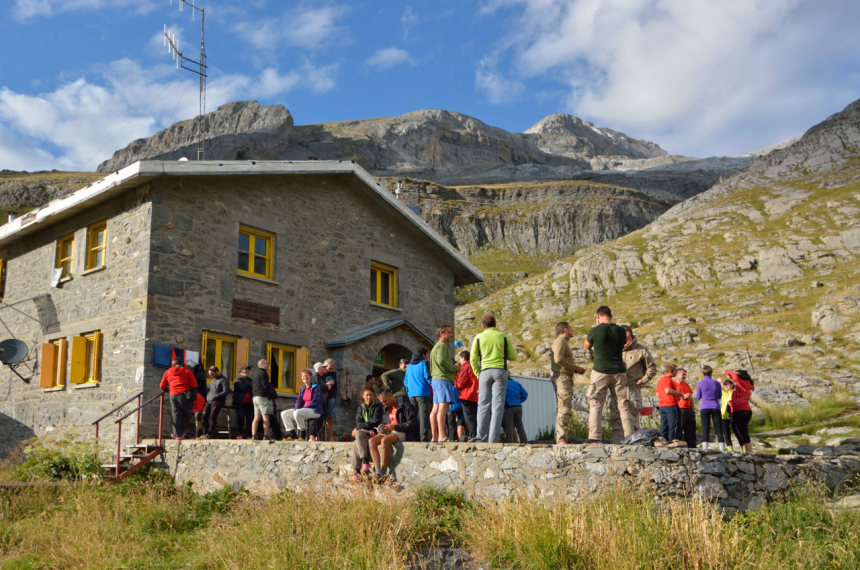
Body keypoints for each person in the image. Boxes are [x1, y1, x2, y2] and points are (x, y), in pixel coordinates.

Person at [470, 314, 517, 443]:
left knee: (483, 405)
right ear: (496, 325)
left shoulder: (478, 337)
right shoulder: (503, 337)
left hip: (485, 372)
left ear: (482, 326)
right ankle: (493, 439)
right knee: (497, 406)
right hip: (500, 372)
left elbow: (473, 359)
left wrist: (478, 374)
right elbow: (513, 356)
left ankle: (481, 437)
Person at [583, 306, 627, 443]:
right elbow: (624, 344)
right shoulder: (620, 331)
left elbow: (586, 346)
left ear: (598, 316)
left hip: (600, 371)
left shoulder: (595, 330)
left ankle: (595, 438)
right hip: (619, 371)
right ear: (611, 316)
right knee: (622, 405)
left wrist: (597, 327)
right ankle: (626, 437)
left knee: (596, 404)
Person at [368, 388, 419, 481]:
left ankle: (383, 471)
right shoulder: (386, 407)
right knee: (371, 441)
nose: (384, 404)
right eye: (382, 402)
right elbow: (384, 421)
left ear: (390, 396)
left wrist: (396, 427)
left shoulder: (405, 404)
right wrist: (382, 428)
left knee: (385, 440)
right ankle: (378, 471)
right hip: (389, 431)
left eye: (385, 401)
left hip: (401, 431)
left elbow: (413, 423)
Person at [550, 322, 586, 445]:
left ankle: (563, 438)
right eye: (571, 328)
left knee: (566, 407)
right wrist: (575, 368)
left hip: (566, 376)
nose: (572, 330)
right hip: (562, 376)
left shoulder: (563, 342)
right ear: (565, 329)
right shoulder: (560, 341)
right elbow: (558, 359)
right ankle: (561, 439)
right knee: (564, 407)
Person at [619, 325, 657, 437]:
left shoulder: (641, 350)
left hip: (633, 389)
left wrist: (643, 380)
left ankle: (634, 444)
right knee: (617, 419)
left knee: (632, 418)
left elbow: (652, 368)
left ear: (627, 334)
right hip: (618, 389)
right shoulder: (616, 350)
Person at [430, 325, 459, 442]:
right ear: (442, 333)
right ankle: (442, 435)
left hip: (436, 380)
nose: (451, 335)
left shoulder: (435, 347)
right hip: (443, 379)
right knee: (443, 407)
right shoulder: (442, 346)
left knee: (435, 408)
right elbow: (442, 361)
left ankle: (435, 436)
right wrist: (454, 368)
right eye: (449, 332)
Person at [159, 358, 198, 440]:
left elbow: (162, 386)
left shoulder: (168, 372)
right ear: (182, 364)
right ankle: (179, 434)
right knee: (186, 414)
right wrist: (194, 397)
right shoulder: (187, 371)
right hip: (184, 395)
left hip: (172, 395)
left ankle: (176, 434)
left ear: (173, 364)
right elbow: (194, 385)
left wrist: (167, 390)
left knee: (175, 415)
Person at [351, 384, 384, 478]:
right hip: (366, 431)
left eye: (370, 395)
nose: (369, 397)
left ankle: (357, 471)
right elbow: (359, 420)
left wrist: (359, 427)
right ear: (363, 396)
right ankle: (363, 465)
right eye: (367, 395)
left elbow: (375, 421)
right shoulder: (360, 407)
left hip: (375, 431)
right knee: (358, 437)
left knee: (358, 436)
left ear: (373, 396)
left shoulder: (378, 406)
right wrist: (365, 428)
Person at [282, 369, 324, 441]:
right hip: (303, 410)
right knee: (284, 413)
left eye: (306, 376)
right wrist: (297, 407)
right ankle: (293, 434)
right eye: (303, 376)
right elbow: (299, 400)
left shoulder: (316, 386)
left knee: (298, 413)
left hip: (315, 410)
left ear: (311, 376)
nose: (305, 377)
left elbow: (315, 401)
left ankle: (302, 435)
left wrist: (302, 408)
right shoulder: (303, 388)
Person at [404, 347, 432, 442]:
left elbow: (406, 381)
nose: (427, 357)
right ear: (423, 355)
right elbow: (428, 377)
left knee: (414, 416)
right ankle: (423, 438)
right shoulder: (424, 363)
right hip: (423, 393)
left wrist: (409, 390)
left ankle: (415, 437)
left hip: (411, 394)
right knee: (423, 416)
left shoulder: (409, 367)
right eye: (427, 355)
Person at [695, 365, 724, 451]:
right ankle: (722, 448)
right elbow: (719, 396)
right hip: (715, 406)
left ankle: (705, 448)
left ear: (702, 373)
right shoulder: (716, 383)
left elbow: (698, 396)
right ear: (711, 373)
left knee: (705, 428)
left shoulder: (700, 383)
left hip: (705, 406)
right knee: (718, 428)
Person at [726, 369, 755, 453]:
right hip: (739, 410)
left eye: (737, 375)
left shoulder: (744, 384)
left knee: (743, 431)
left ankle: (748, 451)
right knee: (737, 430)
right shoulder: (740, 386)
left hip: (742, 410)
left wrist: (728, 372)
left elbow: (736, 378)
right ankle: (745, 450)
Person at [655, 363, 684, 443]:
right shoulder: (668, 379)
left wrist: (663, 398)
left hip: (662, 406)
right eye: (675, 371)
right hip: (670, 405)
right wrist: (679, 394)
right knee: (673, 426)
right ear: (671, 371)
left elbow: (657, 393)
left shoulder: (660, 380)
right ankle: (673, 442)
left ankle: (663, 442)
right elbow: (667, 390)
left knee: (664, 426)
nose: (676, 373)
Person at [454, 350, 478, 439]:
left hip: (467, 395)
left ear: (463, 358)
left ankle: (472, 435)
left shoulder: (466, 367)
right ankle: (474, 434)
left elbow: (460, 384)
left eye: (460, 359)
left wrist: (456, 379)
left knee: (469, 417)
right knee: (473, 416)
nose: (459, 361)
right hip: (474, 395)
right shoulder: (473, 367)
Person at [201, 365, 230, 438]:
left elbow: (226, 391)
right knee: (204, 415)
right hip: (210, 400)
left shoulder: (223, 380)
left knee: (212, 416)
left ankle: (210, 433)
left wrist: (217, 396)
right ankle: (204, 433)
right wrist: (208, 396)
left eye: (212, 374)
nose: (211, 376)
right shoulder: (214, 379)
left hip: (218, 400)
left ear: (217, 372)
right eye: (210, 375)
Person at [250, 359, 273, 441]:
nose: (268, 365)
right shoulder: (263, 373)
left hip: (255, 397)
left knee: (256, 417)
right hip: (263, 397)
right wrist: (269, 396)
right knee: (265, 417)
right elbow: (265, 385)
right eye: (266, 363)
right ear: (261, 365)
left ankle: (254, 435)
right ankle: (266, 435)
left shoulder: (255, 374)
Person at [674, 368, 696, 448]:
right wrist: (682, 397)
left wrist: (693, 410)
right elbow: (672, 398)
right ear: (677, 374)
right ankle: (678, 446)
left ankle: (692, 447)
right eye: (683, 374)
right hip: (680, 409)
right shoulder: (673, 384)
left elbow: (690, 397)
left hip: (689, 409)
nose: (684, 376)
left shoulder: (686, 384)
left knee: (691, 430)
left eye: (685, 375)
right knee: (679, 428)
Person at [502, 377, 528, 444]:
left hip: (508, 407)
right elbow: (525, 394)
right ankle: (524, 442)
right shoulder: (517, 384)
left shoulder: (503, 384)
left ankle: (510, 443)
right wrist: (519, 401)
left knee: (509, 427)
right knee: (520, 427)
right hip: (518, 407)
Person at [232, 366, 254, 439]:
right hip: (240, 402)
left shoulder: (250, 380)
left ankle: (248, 434)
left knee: (249, 418)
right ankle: (239, 433)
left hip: (249, 403)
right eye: (245, 371)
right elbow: (241, 388)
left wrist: (247, 387)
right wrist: (248, 387)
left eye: (248, 371)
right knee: (240, 417)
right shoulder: (237, 380)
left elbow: (253, 387)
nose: (247, 373)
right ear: (240, 372)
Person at [322, 359, 338, 441]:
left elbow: (334, 384)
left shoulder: (334, 374)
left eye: (333, 367)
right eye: (330, 367)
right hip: (323, 398)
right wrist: (327, 384)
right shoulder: (322, 374)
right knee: (321, 418)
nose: (332, 368)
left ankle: (330, 438)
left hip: (331, 398)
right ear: (325, 366)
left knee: (330, 418)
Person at [720, 378, 736, 452]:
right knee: (726, 434)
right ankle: (730, 450)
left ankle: (745, 449)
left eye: (727, 384)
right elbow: (716, 389)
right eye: (724, 384)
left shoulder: (733, 392)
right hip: (723, 415)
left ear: (732, 385)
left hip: (733, 415)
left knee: (738, 433)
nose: (725, 385)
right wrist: (718, 383)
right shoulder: (723, 393)